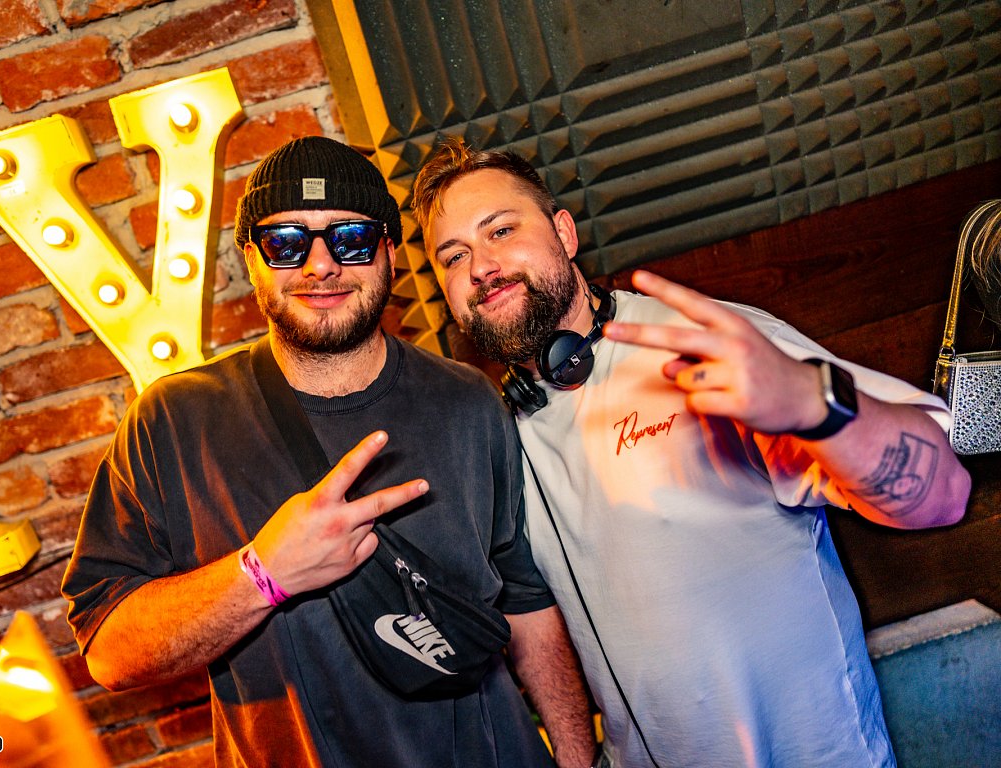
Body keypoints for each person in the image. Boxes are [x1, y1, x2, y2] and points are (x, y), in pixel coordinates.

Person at [411, 137, 972, 768]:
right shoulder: (498, 429)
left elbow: (943, 495)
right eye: (453, 257)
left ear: (564, 233)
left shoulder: (700, 346)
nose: (481, 267)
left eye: (501, 230)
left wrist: (812, 404)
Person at [61, 136, 597, 768]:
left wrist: (577, 758)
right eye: (287, 242)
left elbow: (527, 605)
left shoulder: (468, 401)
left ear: (389, 254)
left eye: (351, 238)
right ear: (252, 260)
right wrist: (261, 575)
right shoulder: (174, 421)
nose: (320, 265)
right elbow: (109, 651)